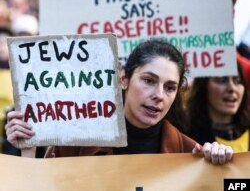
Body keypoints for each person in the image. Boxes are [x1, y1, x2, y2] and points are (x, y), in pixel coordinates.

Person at [6, 40, 233, 164]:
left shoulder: (190, 153)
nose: (159, 95)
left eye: (170, 87)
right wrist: (28, 151)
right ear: (123, 78)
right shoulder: (75, 144)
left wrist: (223, 168)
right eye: (149, 81)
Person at [186, 63, 250, 152]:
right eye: (222, 80)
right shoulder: (184, 135)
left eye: (238, 81)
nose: (232, 88)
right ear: (204, 87)